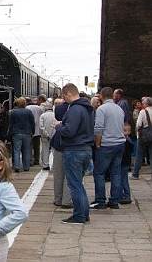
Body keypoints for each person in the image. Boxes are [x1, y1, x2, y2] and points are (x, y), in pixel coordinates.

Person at [55, 83, 94, 224]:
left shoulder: (75, 109)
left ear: (68, 94)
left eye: (64, 97)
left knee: (75, 185)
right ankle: (84, 214)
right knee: (79, 184)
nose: (64, 100)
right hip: (85, 149)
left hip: (74, 150)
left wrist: (59, 127)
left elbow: (69, 131)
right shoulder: (88, 108)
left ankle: (79, 216)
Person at [91, 87, 125, 209]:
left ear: (101, 95)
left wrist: (98, 144)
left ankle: (100, 201)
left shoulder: (102, 109)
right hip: (120, 144)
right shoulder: (119, 109)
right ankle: (114, 201)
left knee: (99, 173)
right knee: (116, 173)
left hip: (106, 145)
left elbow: (98, 128)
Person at [50, 99, 72, 207]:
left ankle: (58, 199)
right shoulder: (79, 109)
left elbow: (58, 119)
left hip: (58, 143)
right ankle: (67, 200)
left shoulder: (59, 108)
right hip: (72, 145)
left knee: (58, 174)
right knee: (69, 174)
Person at [8, 97, 35, 172]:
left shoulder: (13, 112)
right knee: (26, 150)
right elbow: (32, 123)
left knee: (16, 150)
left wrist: (9, 134)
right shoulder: (28, 112)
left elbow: (11, 124)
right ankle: (26, 167)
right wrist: (33, 131)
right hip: (27, 133)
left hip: (16, 133)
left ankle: (17, 166)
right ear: (24, 103)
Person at [133, 96, 152, 179]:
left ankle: (135, 174)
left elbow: (138, 125)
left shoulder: (143, 112)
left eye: (143, 103)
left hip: (143, 135)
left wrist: (137, 132)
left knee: (139, 154)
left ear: (146, 103)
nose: (142, 104)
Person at [26, 95, 46, 166]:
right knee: (37, 147)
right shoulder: (39, 108)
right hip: (38, 130)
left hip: (29, 130)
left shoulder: (26, 108)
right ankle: (36, 160)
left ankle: (30, 161)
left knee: (29, 146)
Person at [119, 120, 135, 204]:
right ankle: (125, 195)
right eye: (125, 131)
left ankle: (125, 196)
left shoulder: (125, 141)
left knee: (122, 179)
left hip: (123, 162)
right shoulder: (129, 140)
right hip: (126, 162)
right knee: (124, 179)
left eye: (127, 131)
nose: (126, 133)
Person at [39, 100, 54, 170]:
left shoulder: (43, 115)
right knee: (54, 151)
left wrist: (46, 134)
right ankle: (54, 165)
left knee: (45, 150)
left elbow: (41, 127)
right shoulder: (55, 115)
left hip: (45, 136)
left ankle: (46, 165)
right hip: (54, 136)